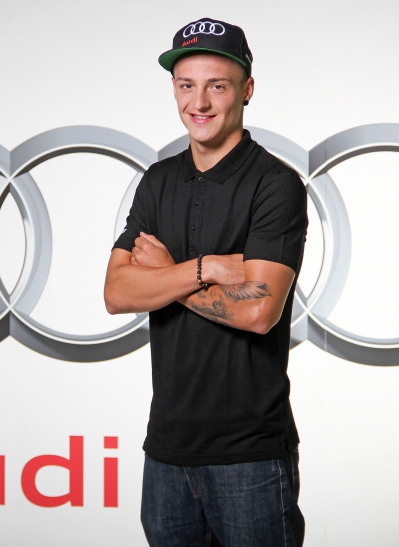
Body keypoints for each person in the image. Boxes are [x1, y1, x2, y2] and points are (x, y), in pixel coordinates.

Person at [104, 17, 307, 547]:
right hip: (166, 452)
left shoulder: (275, 184)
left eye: (217, 86)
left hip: (250, 455)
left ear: (247, 89)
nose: (200, 102)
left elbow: (258, 311)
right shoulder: (158, 181)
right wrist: (206, 268)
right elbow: (117, 293)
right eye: (186, 85)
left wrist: (166, 276)